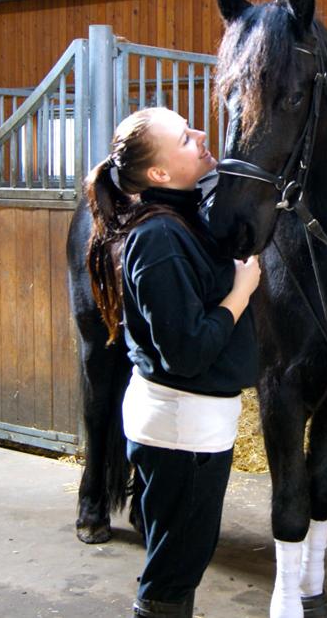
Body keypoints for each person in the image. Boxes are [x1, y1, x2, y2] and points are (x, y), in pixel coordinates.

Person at [85, 106, 261, 618]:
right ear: (159, 174)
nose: (202, 135)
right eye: (186, 138)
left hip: (194, 426)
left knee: (179, 561)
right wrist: (240, 294)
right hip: (182, 429)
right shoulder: (157, 237)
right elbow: (185, 352)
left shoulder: (183, 220)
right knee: (173, 573)